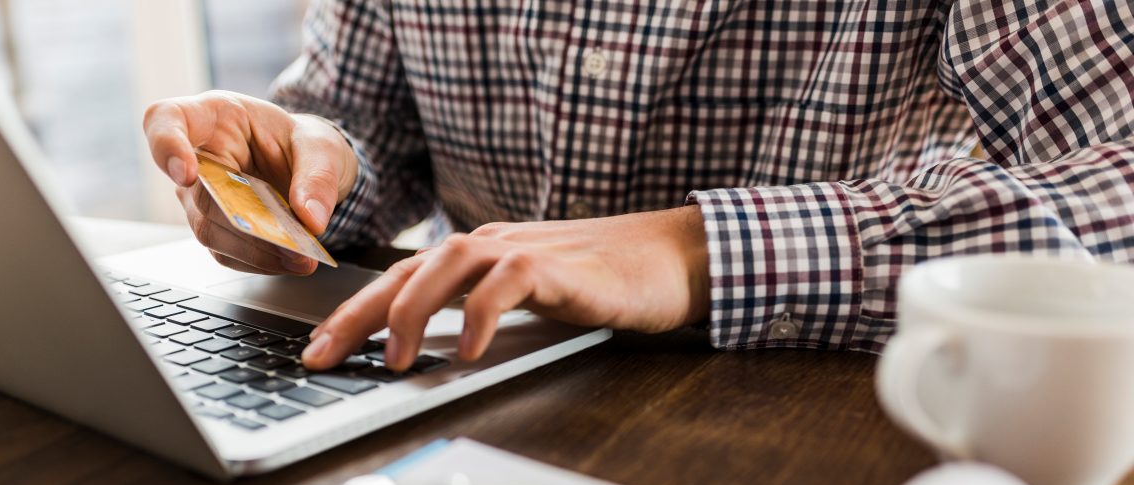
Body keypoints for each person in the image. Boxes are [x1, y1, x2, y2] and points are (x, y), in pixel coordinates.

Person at [144, 0, 1134, 375]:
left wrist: (698, 251)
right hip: (453, 414)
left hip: (827, 464)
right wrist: (303, 171)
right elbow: (364, 120)